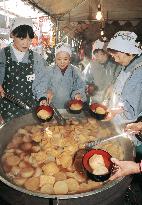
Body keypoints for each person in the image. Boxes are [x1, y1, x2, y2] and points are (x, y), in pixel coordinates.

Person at [0, 17, 47, 122]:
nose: (26, 43)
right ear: (12, 35)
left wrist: (42, 97)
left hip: (29, 109)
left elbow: (40, 82)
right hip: (7, 109)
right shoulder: (3, 55)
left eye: (29, 39)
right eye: (22, 38)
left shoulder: (36, 58)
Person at [106, 31, 142, 128]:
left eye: (117, 56)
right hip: (117, 120)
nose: (116, 60)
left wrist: (115, 110)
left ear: (129, 52)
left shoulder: (139, 71)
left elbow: (133, 108)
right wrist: (113, 87)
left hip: (131, 125)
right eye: (113, 57)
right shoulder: (126, 64)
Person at [34, 43, 87, 108]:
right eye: (59, 59)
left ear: (69, 59)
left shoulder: (75, 71)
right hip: (52, 107)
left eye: (65, 59)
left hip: (70, 108)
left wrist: (77, 94)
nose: (62, 62)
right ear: (55, 58)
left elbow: (80, 86)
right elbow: (40, 86)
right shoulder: (48, 70)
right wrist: (44, 95)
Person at [83, 39, 121, 103]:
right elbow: (83, 79)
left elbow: (119, 82)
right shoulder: (92, 65)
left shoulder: (115, 65)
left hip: (110, 100)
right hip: (95, 99)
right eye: (95, 55)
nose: (96, 57)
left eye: (98, 55)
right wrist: (88, 86)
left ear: (105, 54)